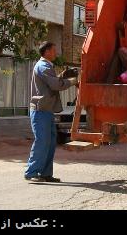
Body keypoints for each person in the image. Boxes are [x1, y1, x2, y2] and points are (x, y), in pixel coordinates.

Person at [24, 41, 78, 182]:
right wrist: (72, 81)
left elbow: (52, 82)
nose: (56, 53)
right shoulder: (43, 66)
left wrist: (62, 75)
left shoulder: (46, 66)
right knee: (42, 141)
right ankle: (32, 172)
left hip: (46, 111)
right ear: (47, 51)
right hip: (40, 110)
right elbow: (55, 85)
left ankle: (45, 173)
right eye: (54, 50)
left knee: (50, 142)